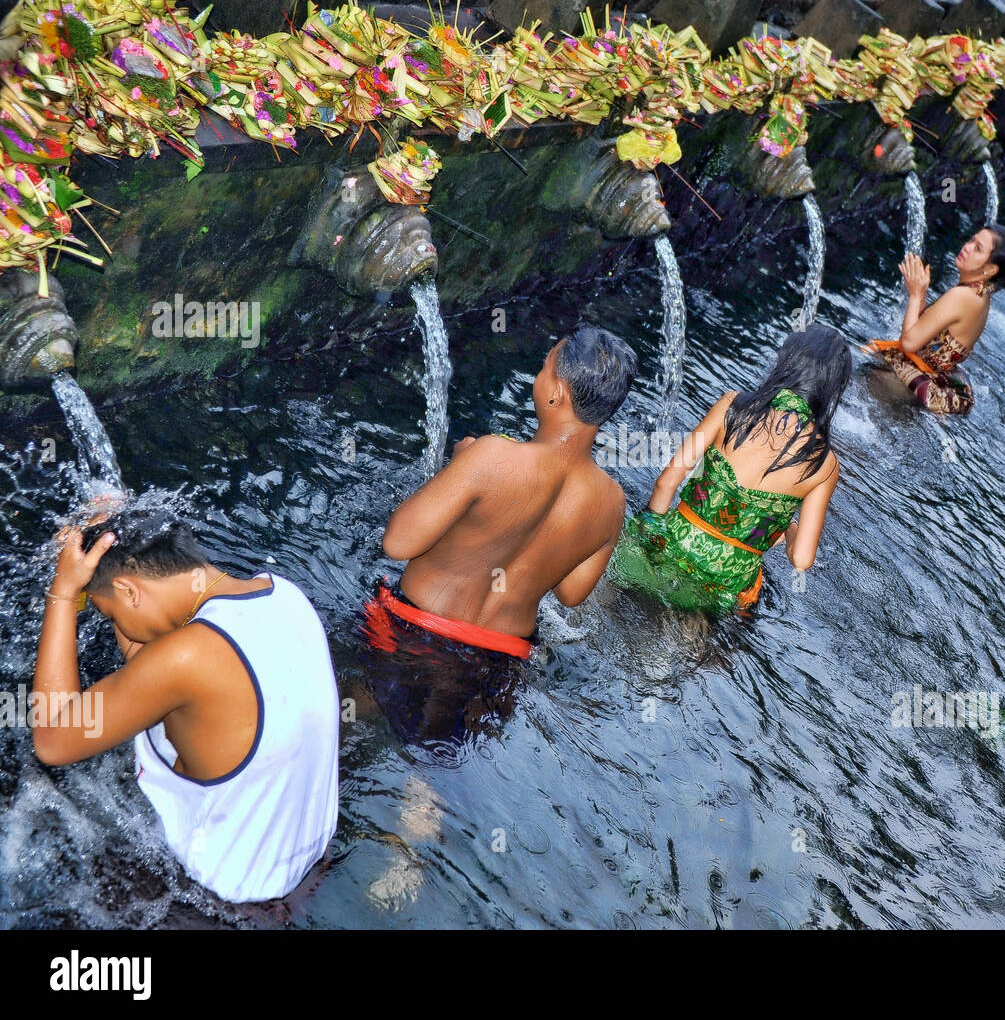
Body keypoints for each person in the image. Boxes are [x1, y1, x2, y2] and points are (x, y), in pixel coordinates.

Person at [31, 507, 339, 904]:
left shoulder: (184, 658)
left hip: (220, 904)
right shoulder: (283, 594)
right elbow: (151, 655)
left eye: (109, 614)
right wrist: (121, 532)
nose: (117, 627)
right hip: (309, 872)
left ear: (128, 591)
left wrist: (63, 593)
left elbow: (52, 739)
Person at [370, 326, 638, 670]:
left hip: (410, 629)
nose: (538, 377)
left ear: (556, 393)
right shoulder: (612, 502)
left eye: (544, 368)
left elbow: (397, 543)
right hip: (500, 660)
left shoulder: (491, 455)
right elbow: (572, 593)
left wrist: (461, 467)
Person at [608, 324, 850, 615]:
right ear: (832, 389)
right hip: (723, 589)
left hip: (670, 546)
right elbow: (801, 559)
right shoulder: (824, 464)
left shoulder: (732, 406)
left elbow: (667, 482)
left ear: (787, 363)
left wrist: (649, 536)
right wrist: (787, 525)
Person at [865, 224, 1005, 414]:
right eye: (972, 240)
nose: (967, 247)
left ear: (990, 269)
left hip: (902, 386)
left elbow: (909, 342)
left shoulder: (962, 296)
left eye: (977, 248)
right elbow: (926, 332)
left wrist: (914, 295)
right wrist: (921, 292)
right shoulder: (980, 295)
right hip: (925, 383)